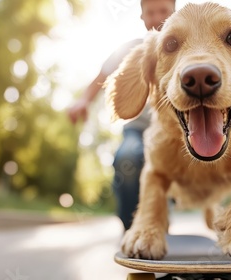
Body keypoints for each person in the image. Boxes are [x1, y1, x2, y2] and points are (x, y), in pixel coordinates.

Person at [68, 0, 176, 231]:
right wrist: (84, 100)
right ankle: (130, 226)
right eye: (151, 12)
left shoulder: (188, 44)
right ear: (142, 16)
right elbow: (102, 75)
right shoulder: (131, 48)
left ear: (174, 11)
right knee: (127, 157)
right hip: (138, 127)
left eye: (163, 11)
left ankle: (162, 215)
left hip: (175, 130)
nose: (157, 18)